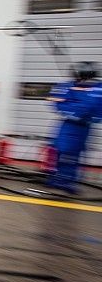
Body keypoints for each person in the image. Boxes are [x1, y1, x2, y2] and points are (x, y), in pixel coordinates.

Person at [46, 61, 101, 193]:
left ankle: (68, 182)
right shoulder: (66, 86)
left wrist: (81, 109)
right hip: (68, 125)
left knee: (75, 154)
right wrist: (77, 111)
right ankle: (55, 179)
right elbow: (57, 103)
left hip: (84, 127)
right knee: (58, 150)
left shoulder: (98, 88)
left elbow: (96, 108)